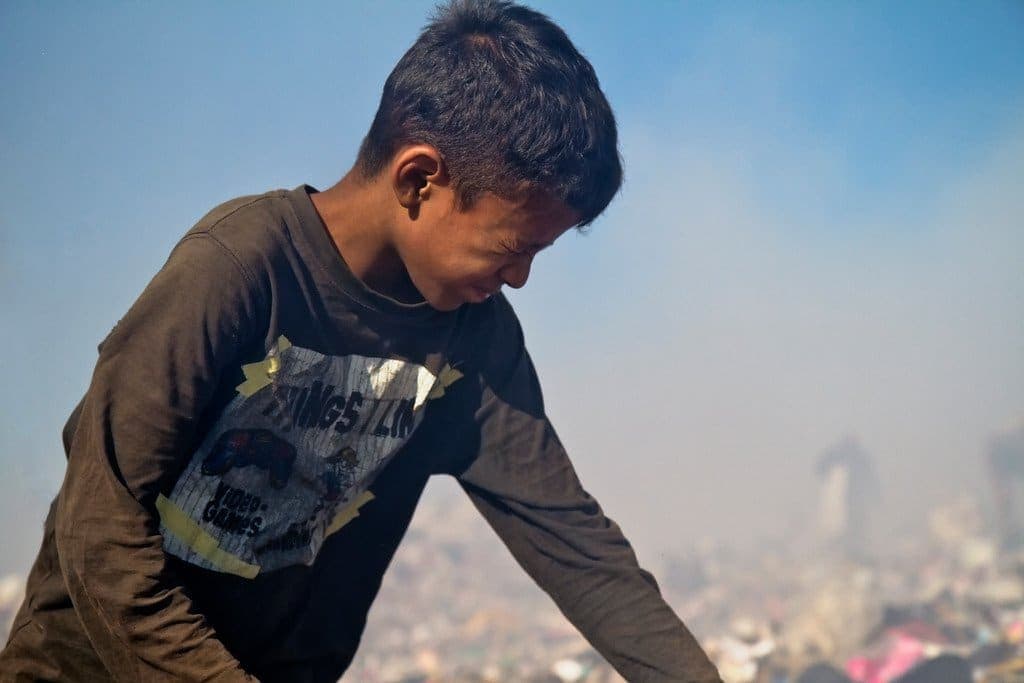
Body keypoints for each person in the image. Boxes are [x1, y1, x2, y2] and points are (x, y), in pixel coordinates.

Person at [1, 1, 721, 681]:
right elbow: (100, 534)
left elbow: (579, 550)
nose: (521, 277)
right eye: (511, 246)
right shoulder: (239, 269)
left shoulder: (474, 342)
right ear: (419, 179)